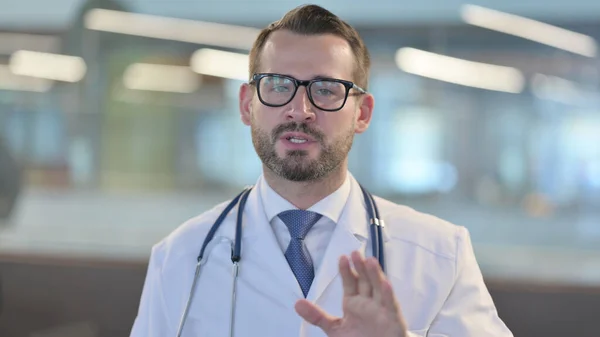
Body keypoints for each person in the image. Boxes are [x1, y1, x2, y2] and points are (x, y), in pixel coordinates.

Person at [129, 4, 513, 337]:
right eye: (278, 85)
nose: (300, 110)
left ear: (362, 113)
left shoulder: (440, 254)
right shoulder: (181, 257)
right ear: (247, 105)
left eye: (326, 89)